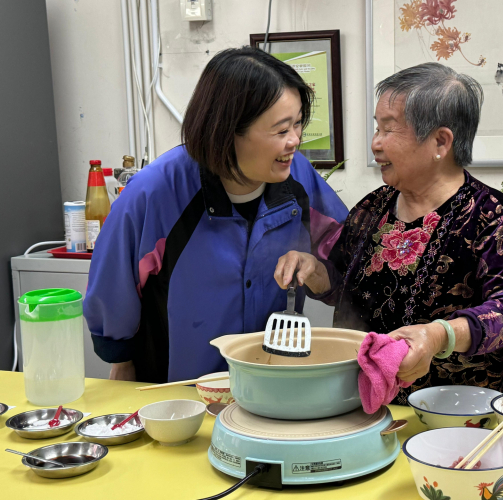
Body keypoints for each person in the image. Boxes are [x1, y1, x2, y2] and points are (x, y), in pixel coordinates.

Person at [275, 63, 503, 401]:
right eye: (377, 128)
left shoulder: (493, 217)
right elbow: (343, 287)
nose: (375, 144)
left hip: (457, 414)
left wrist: (440, 335)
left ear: (440, 142)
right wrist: (314, 270)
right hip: (366, 404)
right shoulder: (373, 209)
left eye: (389, 129)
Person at [84, 47, 348, 383]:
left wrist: (315, 269)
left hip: (272, 384)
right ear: (228, 130)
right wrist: (121, 360)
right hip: (176, 393)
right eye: (281, 131)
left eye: (298, 125)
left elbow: (343, 262)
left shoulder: (299, 179)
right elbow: (113, 289)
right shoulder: (155, 193)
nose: (295, 141)